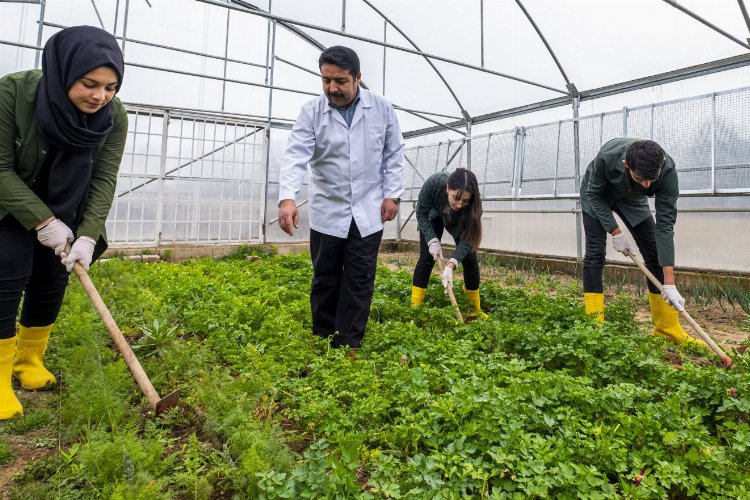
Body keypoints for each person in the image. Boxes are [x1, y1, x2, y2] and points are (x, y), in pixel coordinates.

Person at [0, 26, 127, 420]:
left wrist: (87, 234)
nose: (99, 96)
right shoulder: (14, 94)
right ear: (63, 71)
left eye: (110, 87)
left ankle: (28, 363)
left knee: (51, 280)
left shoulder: (113, 117)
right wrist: (41, 220)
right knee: (7, 273)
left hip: (68, 204)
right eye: (89, 84)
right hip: (8, 202)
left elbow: (104, 178)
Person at [277, 45, 404, 351]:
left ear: (358, 77)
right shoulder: (311, 112)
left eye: (340, 81)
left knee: (359, 279)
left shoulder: (382, 108)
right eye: (326, 80)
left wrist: (393, 195)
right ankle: (323, 337)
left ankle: (349, 343)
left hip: (368, 208)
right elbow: (295, 155)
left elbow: (394, 152)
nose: (331, 88)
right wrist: (287, 198)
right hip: (328, 209)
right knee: (326, 277)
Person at [579, 138, 704, 346]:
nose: (647, 185)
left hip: (632, 200)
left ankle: (667, 328)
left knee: (654, 254)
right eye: (640, 178)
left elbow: (665, 226)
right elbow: (594, 194)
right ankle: (594, 327)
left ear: (662, 162)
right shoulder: (607, 156)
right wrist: (615, 231)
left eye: (651, 180)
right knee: (595, 254)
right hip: (597, 195)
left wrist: (669, 283)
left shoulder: (668, 171)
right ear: (626, 165)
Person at [411, 168, 486, 317]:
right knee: (427, 258)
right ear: (447, 188)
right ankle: (415, 307)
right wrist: (432, 240)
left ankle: (475, 310)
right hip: (432, 216)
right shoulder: (434, 183)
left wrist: (451, 265)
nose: (459, 204)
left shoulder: (474, 207)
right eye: (456, 198)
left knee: (470, 257)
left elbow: (468, 238)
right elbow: (421, 213)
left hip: (457, 221)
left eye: (465, 201)